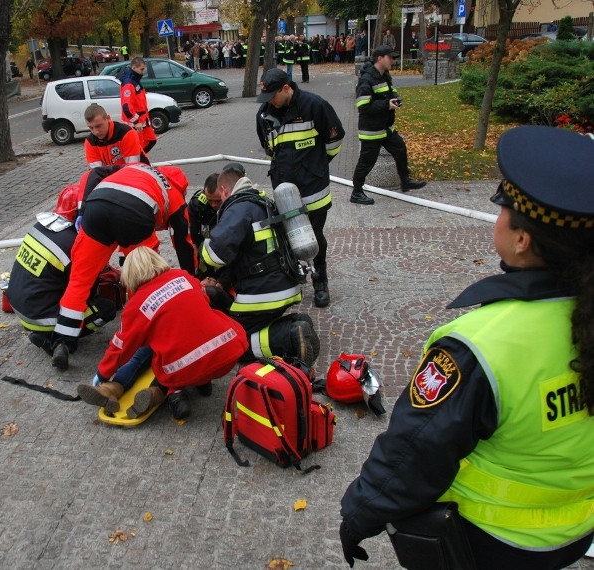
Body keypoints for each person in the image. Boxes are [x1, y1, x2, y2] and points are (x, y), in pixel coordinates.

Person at [339, 126, 594, 569]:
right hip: (579, 527)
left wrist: (360, 513)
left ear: (521, 238)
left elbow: (415, 452)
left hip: (498, 541)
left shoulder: (480, 344)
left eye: (503, 209)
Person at [77, 247, 249, 419]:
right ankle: (200, 384)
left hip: (185, 367)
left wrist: (103, 372)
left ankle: (123, 390)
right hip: (228, 352)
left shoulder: (136, 306)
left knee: (149, 356)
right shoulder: (183, 277)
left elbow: (121, 346)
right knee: (207, 323)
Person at [52, 163, 196, 369]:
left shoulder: (135, 168)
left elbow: (94, 172)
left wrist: (83, 208)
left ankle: (62, 342)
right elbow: (184, 244)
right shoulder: (174, 194)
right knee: (141, 282)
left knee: (79, 280)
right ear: (181, 185)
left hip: (97, 207)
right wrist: (192, 279)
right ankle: (133, 341)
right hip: (135, 213)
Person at [199, 168, 320, 365]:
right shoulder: (262, 202)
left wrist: (201, 247)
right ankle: (296, 322)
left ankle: (288, 337)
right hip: (285, 284)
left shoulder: (239, 208)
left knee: (234, 342)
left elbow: (213, 255)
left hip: (262, 295)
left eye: (219, 198)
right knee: (253, 325)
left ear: (224, 189)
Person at [255, 67, 345, 308]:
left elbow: (335, 139)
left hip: (313, 188)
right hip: (284, 190)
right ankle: (293, 277)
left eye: (273, 96)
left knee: (313, 238)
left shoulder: (314, 106)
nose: (269, 102)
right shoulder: (264, 114)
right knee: (288, 236)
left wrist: (318, 164)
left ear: (287, 88)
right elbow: (268, 146)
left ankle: (320, 282)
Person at [6, 185, 117, 357]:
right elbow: (84, 290)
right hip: (41, 316)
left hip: (18, 307)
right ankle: (54, 340)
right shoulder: (74, 245)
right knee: (106, 308)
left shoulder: (40, 226)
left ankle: (44, 332)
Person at [350, 46, 426, 207]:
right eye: (390, 57)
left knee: (400, 148)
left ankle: (405, 181)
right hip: (371, 130)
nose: (393, 60)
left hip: (385, 127)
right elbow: (363, 106)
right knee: (366, 162)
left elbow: (391, 92)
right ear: (380, 59)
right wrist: (387, 105)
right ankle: (356, 192)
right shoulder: (366, 79)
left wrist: (396, 99)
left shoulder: (384, 76)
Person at [188, 162, 245, 252]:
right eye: (210, 200)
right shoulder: (197, 204)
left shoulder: (234, 204)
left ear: (225, 192)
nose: (213, 204)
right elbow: (194, 234)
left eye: (218, 201)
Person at [83, 104, 147, 168]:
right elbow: (96, 171)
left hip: (139, 172)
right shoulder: (90, 142)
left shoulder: (126, 133)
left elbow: (133, 167)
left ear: (108, 118)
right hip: (112, 175)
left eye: (98, 126)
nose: (96, 132)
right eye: (91, 128)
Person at [120, 57, 157, 153]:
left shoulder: (135, 81)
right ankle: (138, 161)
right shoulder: (129, 83)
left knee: (151, 140)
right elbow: (126, 107)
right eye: (141, 69)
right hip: (136, 122)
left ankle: (140, 159)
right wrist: (136, 122)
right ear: (134, 68)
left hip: (143, 119)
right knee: (138, 146)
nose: (143, 72)